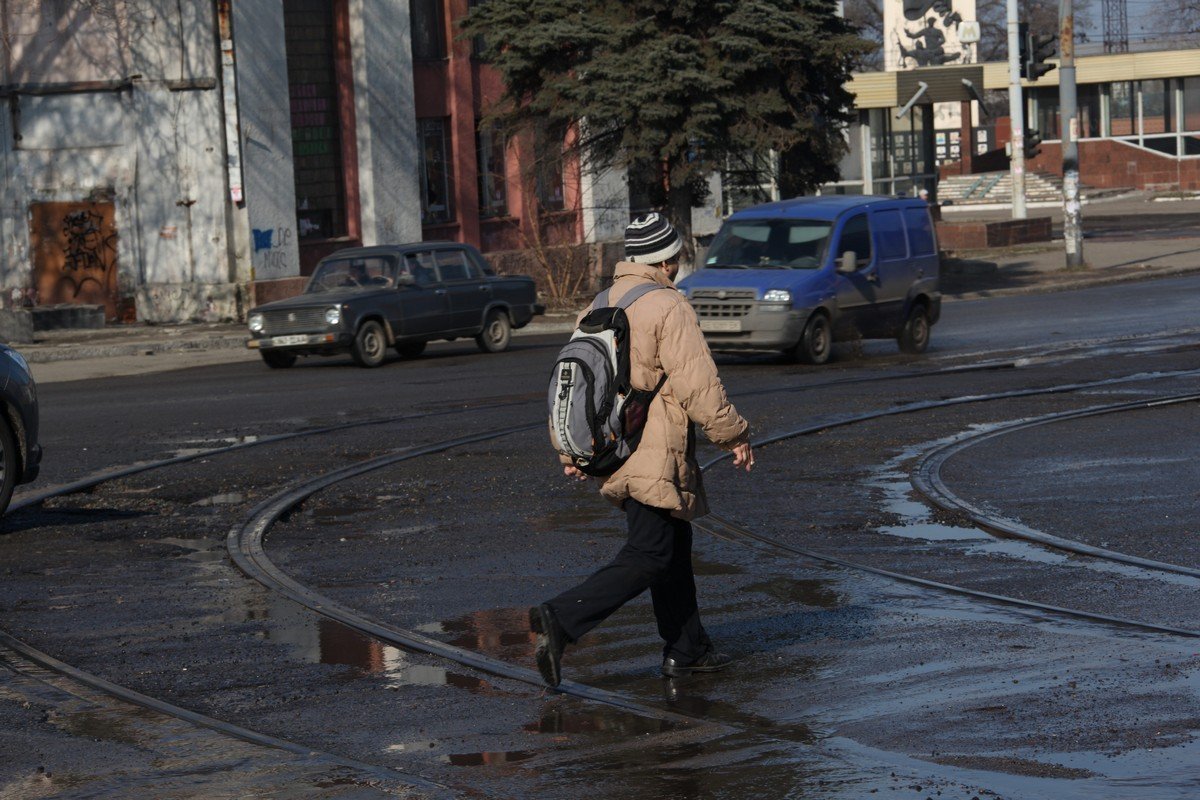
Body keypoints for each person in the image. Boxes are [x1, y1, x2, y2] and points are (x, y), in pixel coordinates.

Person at [530, 212, 754, 688]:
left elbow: (575, 387)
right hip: (654, 449)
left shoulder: (600, 302)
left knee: (672, 546)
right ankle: (562, 619)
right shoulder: (668, 306)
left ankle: (687, 649)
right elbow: (698, 386)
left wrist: (572, 451)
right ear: (669, 260)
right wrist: (733, 434)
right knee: (651, 553)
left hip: (618, 446)